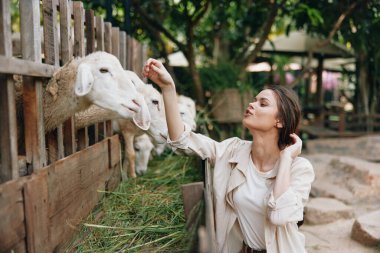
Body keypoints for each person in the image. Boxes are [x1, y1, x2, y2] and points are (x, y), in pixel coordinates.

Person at [142, 59, 315, 253]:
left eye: (263, 104)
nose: (252, 104)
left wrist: (285, 159)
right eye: (254, 99)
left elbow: (280, 216)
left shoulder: (299, 168)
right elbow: (182, 140)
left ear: (280, 121)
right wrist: (168, 88)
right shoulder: (232, 150)